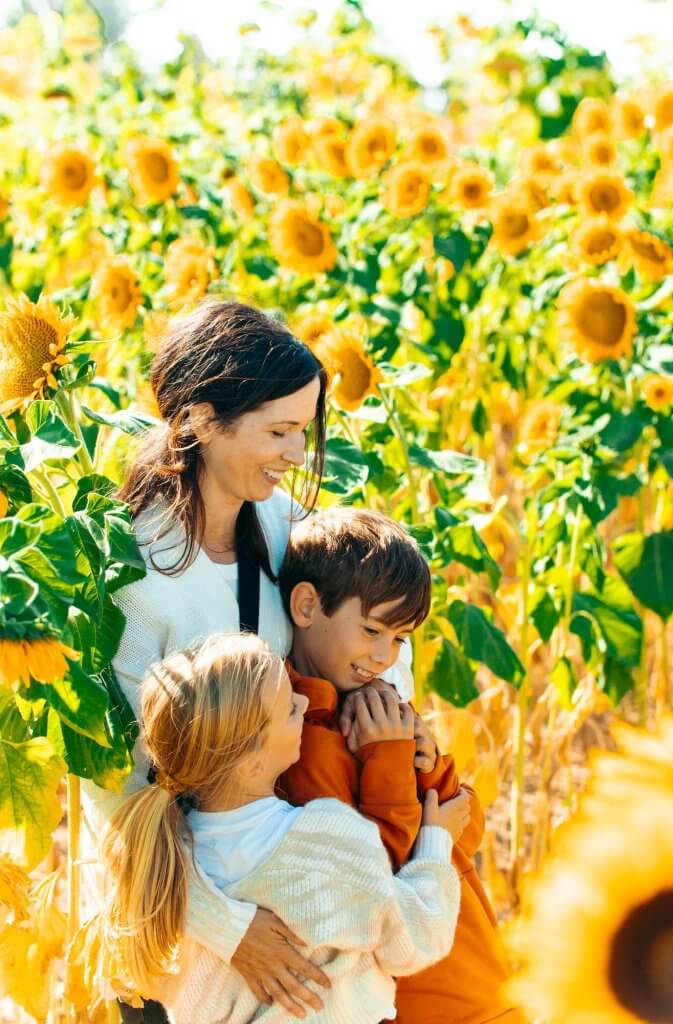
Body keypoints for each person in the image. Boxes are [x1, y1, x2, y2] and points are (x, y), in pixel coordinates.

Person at [83, 299, 415, 1020]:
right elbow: (116, 795)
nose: (297, 455)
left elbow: (380, 624)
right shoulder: (132, 577)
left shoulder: (283, 525)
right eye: (279, 431)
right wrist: (228, 930)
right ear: (201, 420)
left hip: (287, 896)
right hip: (177, 935)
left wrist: (383, 712)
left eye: (303, 430)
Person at [97, 633, 465, 1024]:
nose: (305, 703)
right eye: (291, 708)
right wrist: (436, 842)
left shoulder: (160, 860)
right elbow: (415, 940)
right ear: (250, 762)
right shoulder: (323, 839)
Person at [278, 508, 527, 1024]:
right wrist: (390, 758)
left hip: (480, 983)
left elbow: (465, 830)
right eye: (371, 630)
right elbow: (371, 881)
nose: (385, 655)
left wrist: (431, 765)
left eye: (399, 639)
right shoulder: (300, 738)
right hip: (422, 1001)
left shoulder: (380, 705)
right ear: (305, 605)